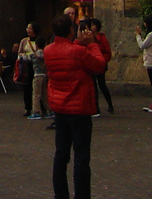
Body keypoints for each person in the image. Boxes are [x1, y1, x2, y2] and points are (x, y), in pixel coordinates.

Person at [44, 13, 107, 199]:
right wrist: (93, 44)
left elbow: (68, 52)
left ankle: (60, 194)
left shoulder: (48, 51)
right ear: (71, 30)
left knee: (61, 155)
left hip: (60, 108)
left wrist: (80, 43)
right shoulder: (78, 52)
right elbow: (99, 65)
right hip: (79, 109)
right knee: (81, 158)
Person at [87, 18, 114, 115]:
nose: (92, 27)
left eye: (94, 25)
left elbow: (107, 52)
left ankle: (110, 104)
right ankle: (95, 107)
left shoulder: (102, 38)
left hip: (100, 64)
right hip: (92, 64)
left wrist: (102, 60)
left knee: (102, 85)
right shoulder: (89, 38)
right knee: (93, 86)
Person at [17, 22, 40, 117]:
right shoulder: (24, 41)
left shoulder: (39, 40)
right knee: (27, 88)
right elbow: (20, 52)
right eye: (27, 28)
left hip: (37, 66)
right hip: (27, 66)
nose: (28, 30)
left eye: (30, 28)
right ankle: (28, 108)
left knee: (38, 87)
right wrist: (23, 56)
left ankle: (40, 107)